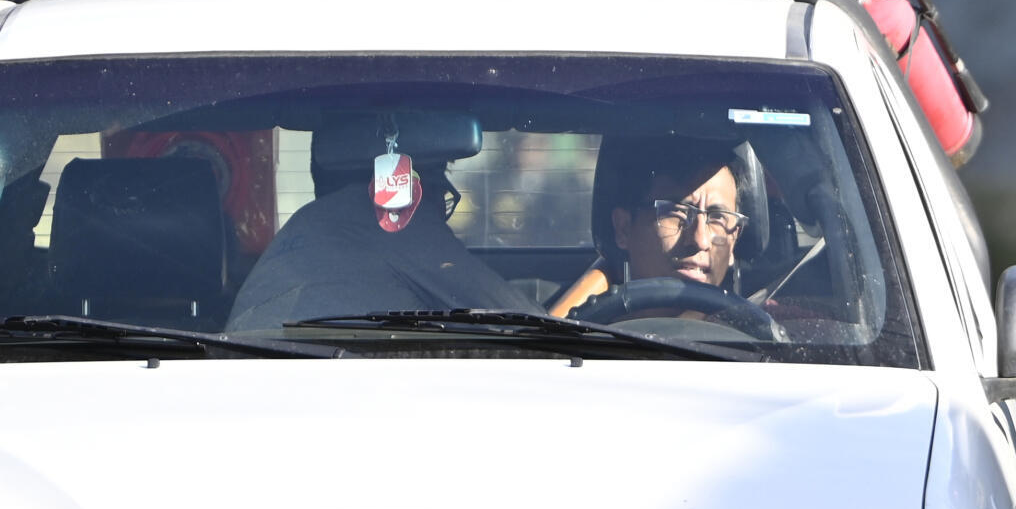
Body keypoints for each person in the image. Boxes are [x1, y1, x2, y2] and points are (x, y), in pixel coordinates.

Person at [225, 121, 510, 331]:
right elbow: (513, 317)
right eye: (442, 186)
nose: (438, 207)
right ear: (416, 184)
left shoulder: (304, 222)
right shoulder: (395, 224)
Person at [549, 137, 765, 318]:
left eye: (718, 218)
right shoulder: (573, 349)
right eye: (677, 213)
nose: (700, 240)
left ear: (735, 237)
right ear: (623, 228)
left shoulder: (767, 349)